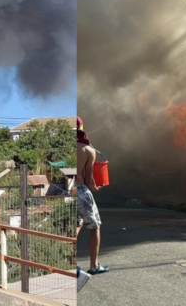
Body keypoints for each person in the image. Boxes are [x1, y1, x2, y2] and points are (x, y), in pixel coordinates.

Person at [76, 116, 109, 276]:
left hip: (67, 192)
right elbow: (89, 179)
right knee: (94, 227)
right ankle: (94, 266)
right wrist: (96, 188)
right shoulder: (88, 150)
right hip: (81, 191)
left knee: (75, 225)